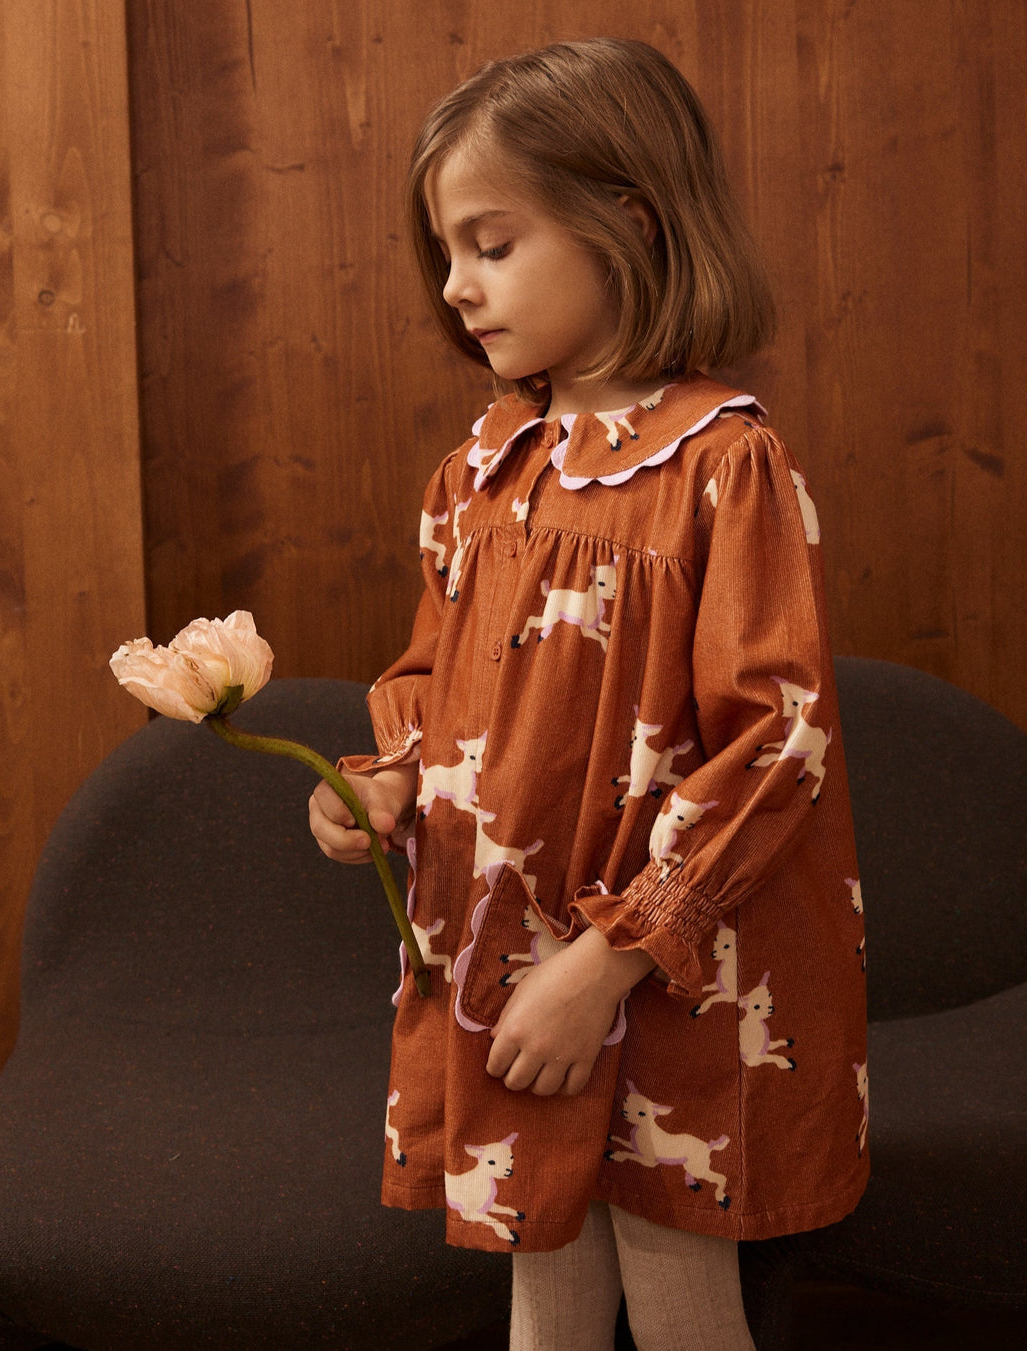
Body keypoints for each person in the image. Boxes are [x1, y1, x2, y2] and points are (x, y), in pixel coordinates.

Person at [309, 37, 868, 1351]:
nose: (457, 288)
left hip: (659, 976)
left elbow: (779, 745)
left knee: (676, 1285)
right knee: (542, 1257)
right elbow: (429, 678)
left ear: (629, 220)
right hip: (507, 956)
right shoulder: (484, 466)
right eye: (446, 252)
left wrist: (607, 963)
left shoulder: (726, 468)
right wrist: (383, 781)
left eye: (492, 245)